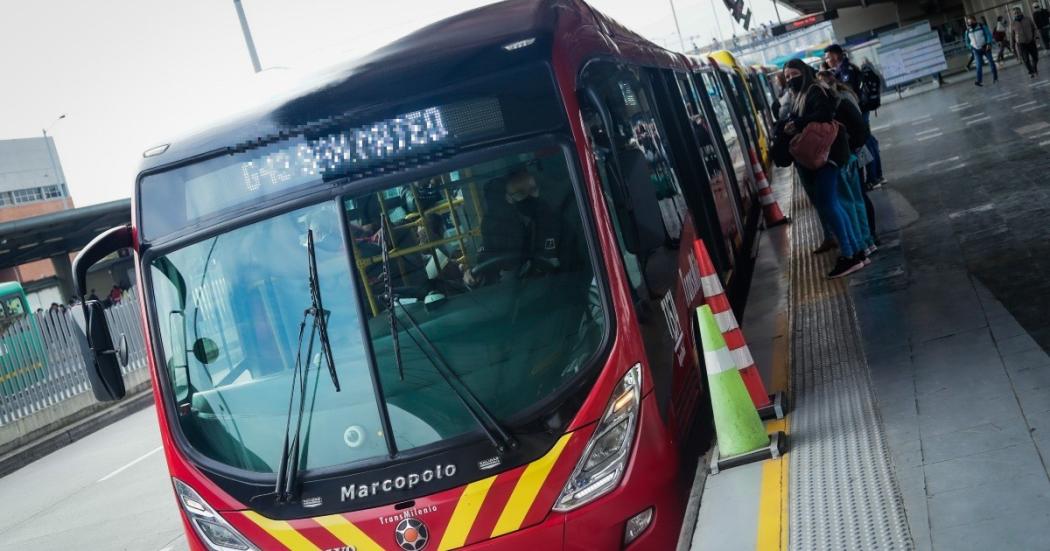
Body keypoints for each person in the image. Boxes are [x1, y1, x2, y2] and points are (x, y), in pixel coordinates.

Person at [773, 59, 866, 278]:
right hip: (825, 154)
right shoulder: (802, 94)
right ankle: (856, 251)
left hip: (829, 154)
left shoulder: (814, 90)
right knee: (832, 203)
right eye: (787, 77)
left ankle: (849, 255)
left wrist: (798, 123)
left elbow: (823, 115)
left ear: (804, 72)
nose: (790, 79)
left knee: (828, 203)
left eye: (794, 74)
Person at [467, 169, 563, 286]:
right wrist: (472, 276)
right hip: (512, 295)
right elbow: (485, 261)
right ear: (509, 198)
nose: (529, 196)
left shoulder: (556, 221)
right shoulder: (497, 229)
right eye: (520, 193)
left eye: (533, 190)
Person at [825, 44, 884, 189]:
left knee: (865, 143)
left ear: (835, 55)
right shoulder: (844, 69)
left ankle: (873, 177)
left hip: (858, 110)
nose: (826, 60)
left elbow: (848, 92)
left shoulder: (846, 71)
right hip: (859, 110)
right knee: (869, 141)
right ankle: (876, 175)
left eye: (827, 56)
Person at [965, 15, 999, 86]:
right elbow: (967, 41)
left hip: (985, 48)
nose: (970, 23)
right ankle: (979, 81)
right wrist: (970, 47)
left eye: (971, 21)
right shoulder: (967, 31)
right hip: (976, 50)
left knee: (991, 62)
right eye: (969, 22)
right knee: (978, 65)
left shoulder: (982, 26)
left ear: (975, 20)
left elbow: (988, 35)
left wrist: (988, 43)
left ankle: (995, 78)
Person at [1012, 6, 1040, 78]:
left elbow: (1034, 28)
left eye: (1018, 12)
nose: (1017, 14)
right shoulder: (1013, 23)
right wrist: (1013, 46)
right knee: (1026, 59)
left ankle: (1034, 68)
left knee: (1035, 57)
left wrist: (1036, 37)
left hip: (1031, 41)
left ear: (1021, 12)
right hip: (1021, 44)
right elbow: (1012, 36)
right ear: (1013, 14)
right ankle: (1030, 72)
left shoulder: (1028, 19)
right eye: (1015, 13)